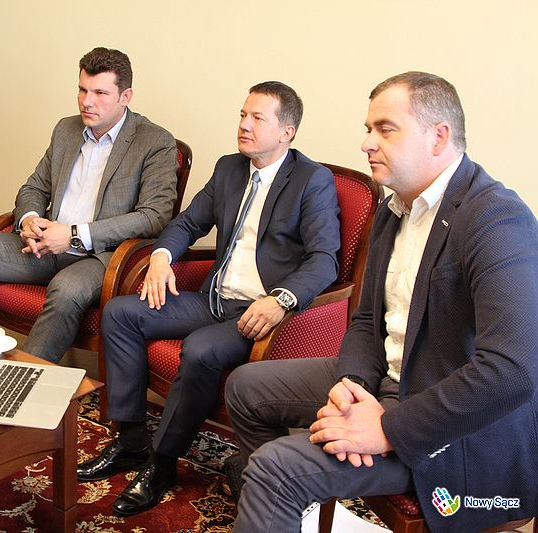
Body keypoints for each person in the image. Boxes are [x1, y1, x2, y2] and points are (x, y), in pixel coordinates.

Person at [225, 72, 538, 532]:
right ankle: (280, 514)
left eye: (385, 129)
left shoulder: (496, 218)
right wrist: (351, 384)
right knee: (245, 387)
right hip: (385, 377)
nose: (367, 143)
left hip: (450, 417)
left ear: (438, 137)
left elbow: (513, 370)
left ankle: (277, 493)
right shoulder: (394, 210)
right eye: (368, 129)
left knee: (277, 468)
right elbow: (368, 318)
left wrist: (388, 429)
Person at [78, 81, 341, 516]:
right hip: (213, 298)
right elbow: (187, 223)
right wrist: (161, 257)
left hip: (258, 313)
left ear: (287, 132)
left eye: (257, 118)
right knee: (122, 312)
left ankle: (161, 464)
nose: (244, 125)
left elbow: (325, 259)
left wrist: (280, 299)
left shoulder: (312, 181)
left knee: (200, 349)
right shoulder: (229, 168)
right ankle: (131, 440)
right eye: (243, 115)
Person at [0, 47, 178, 363]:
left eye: (100, 93)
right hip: (43, 246)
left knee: (66, 288)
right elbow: (34, 187)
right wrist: (29, 219)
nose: (86, 101)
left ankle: (22, 381)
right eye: (82, 89)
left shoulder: (154, 141)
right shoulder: (66, 129)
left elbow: (154, 216)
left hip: (102, 257)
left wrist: (74, 235)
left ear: (126, 96)